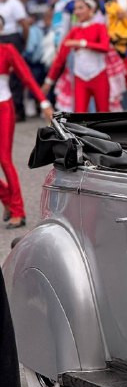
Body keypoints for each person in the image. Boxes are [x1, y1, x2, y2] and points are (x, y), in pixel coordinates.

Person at [0, 15, 53, 229]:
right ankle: (7, 199)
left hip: (3, 107)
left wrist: (44, 103)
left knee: (4, 159)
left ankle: (18, 212)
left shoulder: (7, 51)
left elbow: (27, 78)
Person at [43, 0, 110, 113]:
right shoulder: (74, 31)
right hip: (80, 78)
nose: (77, 12)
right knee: (79, 115)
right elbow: (60, 58)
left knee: (103, 114)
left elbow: (105, 47)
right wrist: (49, 81)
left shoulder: (100, 27)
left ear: (91, 9)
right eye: (75, 9)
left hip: (99, 75)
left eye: (81, 8)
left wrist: (81, 43)